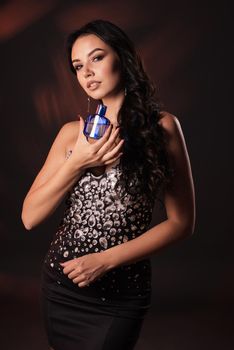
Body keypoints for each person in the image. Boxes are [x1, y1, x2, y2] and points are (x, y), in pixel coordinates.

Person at [21, 19, 195, 350]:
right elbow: (29, 217)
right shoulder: (71, 136)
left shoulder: (164, 128)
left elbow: (182, 223)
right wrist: (78, 161)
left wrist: (105, 259)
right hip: (61, 288)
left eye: (96, 57)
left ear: (123, 57)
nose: (86, 72)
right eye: (77, 66)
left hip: (120, 295)